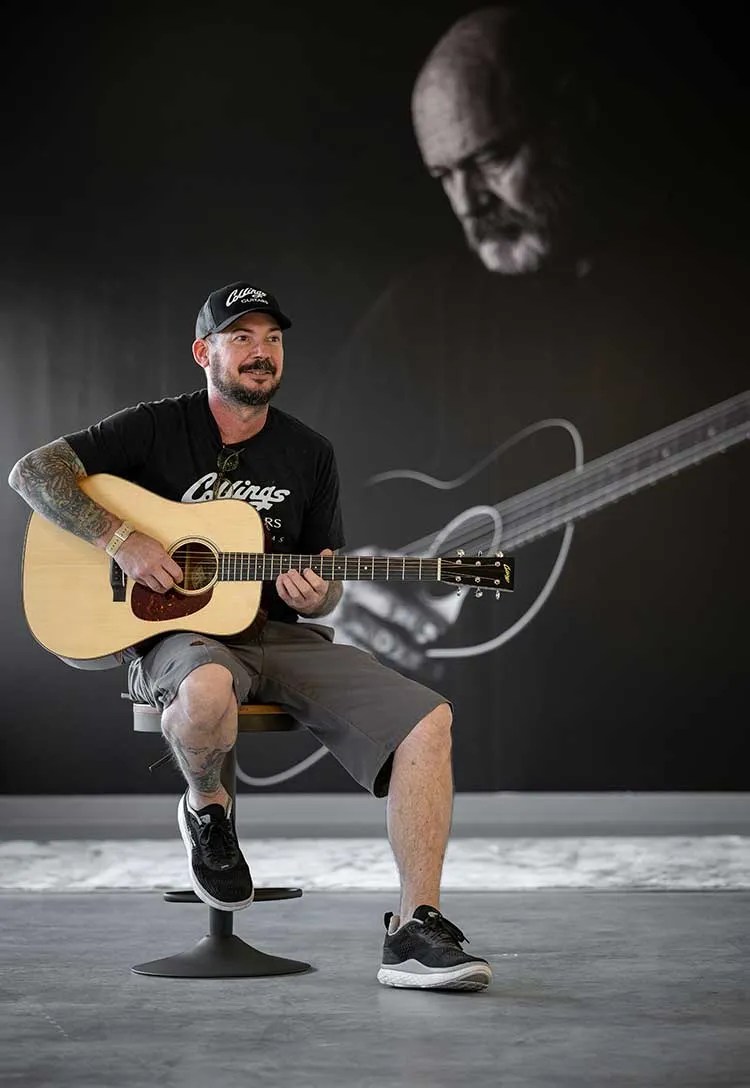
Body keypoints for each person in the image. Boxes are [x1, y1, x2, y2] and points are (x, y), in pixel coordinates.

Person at [8, 280, 492, 992]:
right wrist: (122, 539)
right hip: (176, 640)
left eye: (272, 339)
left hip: (276, 637)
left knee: (429, 719)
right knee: (205, 689)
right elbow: (32, 472)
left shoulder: (309, 453)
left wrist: (318, 591)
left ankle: (416, 927)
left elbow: (324, 580)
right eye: (243, 338)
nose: (261, 353)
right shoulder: (155, 427)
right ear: (206, 352)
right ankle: (208, 809)